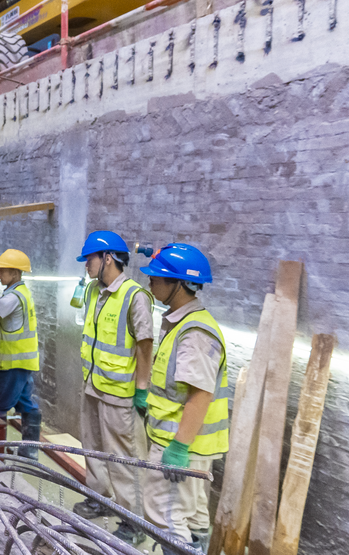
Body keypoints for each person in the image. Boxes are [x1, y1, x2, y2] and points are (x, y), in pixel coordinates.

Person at [140, 244, 228, 553]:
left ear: (180, 283)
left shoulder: (194, 333)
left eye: (157, 277)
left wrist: (178, 448)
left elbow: (200, 395)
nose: (150, 282)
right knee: (193, 518)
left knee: (165, 517)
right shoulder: (182, 323)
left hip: (181, 447)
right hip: (192, 446)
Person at [72, 230, 155, 545]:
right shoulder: (95, 291)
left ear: (108, 258)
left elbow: (145, 346)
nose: (86, 266)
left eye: (89, 259)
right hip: (93, 385)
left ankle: (134, 521)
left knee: (124, 458)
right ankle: (98, 498)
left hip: (120, 394)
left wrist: (142, 389)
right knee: (92, 446)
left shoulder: (135, 297)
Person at [0, 249, 41, 460]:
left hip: (12, 365)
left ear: (15, 273)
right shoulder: (20, 293)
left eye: (3, 271)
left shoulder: (13, 297)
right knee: (27, 404)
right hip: (23, 362)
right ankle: (30, 451)